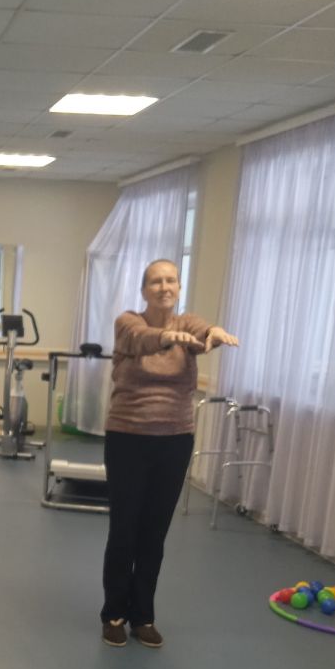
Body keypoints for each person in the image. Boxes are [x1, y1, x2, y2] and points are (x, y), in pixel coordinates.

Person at [101, 259, 238, 649]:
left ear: (179, 287)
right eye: (157, 281)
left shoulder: (187, 323)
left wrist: (214, 333)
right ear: (144, 290)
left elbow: (202, 330)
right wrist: (168, 338)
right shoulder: (128, 322)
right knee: (124, 529)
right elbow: (141, 339)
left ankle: (143, 615)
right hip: (128, 438)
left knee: (154, 533)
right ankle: (114, 613)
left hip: (175, 440)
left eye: (171, 280)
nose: (165, 287)